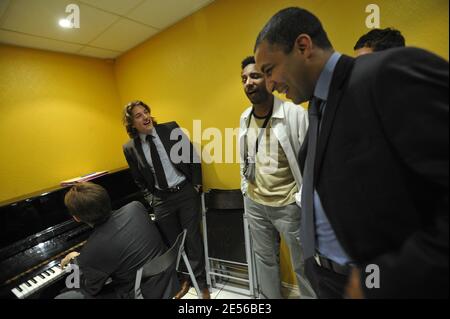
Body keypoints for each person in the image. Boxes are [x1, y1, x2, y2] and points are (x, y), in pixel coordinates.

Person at [254, 7, 448, 298]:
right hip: (328, 278)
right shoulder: (319, 107)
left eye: (270, 70)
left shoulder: (386, 74)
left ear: (303, 46)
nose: (269, 84)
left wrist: (388, 278)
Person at [239, 56, 315, 299]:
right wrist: (245, 188)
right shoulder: (244, 118)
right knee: (265, 261)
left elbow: (310, 163)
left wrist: (301, 199)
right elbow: (245, 158)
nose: (248, 83)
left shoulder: (294, 114)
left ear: (269, 79)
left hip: (288, 206)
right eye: (244, 79)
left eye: (254, 76)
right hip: (255, 204)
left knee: (303, 264)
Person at [122, 100, 209, 299]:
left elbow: (192, 156)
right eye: (138, 115)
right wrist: (151, 199)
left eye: (146, 112)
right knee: (172, 245)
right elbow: (138, 179)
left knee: (193, 239)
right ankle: (184, 280)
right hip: (161, 200)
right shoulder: (130, 148)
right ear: (131, 124)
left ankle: (201, 283)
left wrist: (195, 185)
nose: (145, 117)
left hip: (185, 193)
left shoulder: (170, 129)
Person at [57, 182, 179, 299]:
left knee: (67, 295)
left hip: (144, 293)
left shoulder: (91, 251)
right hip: (169, 275)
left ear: (76, 218)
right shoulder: (136, 207)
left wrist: (75, 261)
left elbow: (90, 288)